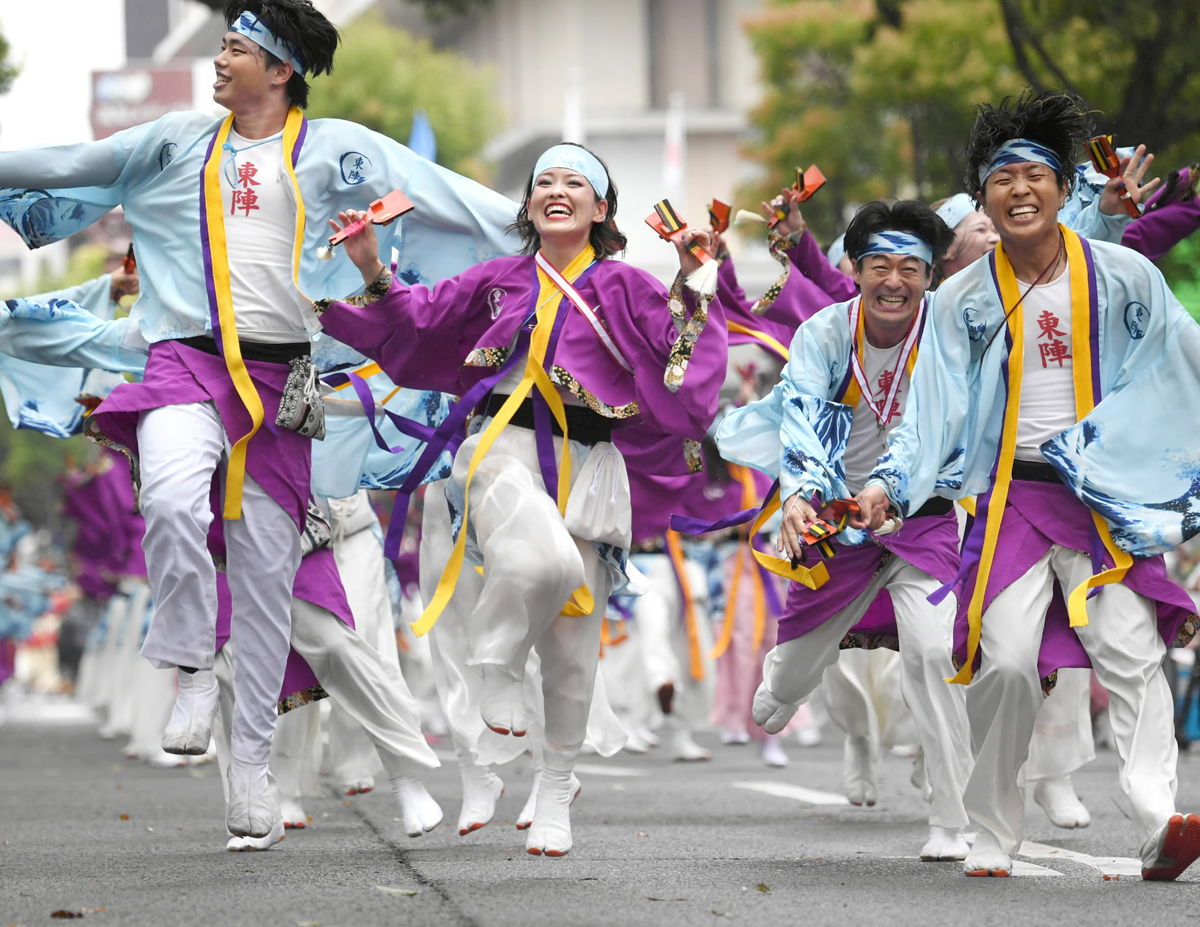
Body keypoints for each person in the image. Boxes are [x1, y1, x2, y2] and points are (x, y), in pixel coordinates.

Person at [0, 0, 515, 842]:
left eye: (236, 49)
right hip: (183, 362)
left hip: (281, 382)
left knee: (269, 581)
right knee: (169, 498)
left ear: (281, 71)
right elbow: (66, 162)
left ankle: (250, 771)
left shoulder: (336, 149)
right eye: (222, 45)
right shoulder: (171, 142)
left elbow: (438, 194)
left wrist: (537, 229)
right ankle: (193, 663)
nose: (220, 60)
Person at [315, 142, 728, 856]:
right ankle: (498, 664)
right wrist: (369, 264)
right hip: (499, 447)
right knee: (542, 566)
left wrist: (695, 279)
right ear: (530, 205)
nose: (557, 191)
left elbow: (681, 362)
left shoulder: (627, 286)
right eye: (544, 182)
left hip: (590, 464)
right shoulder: (498, 279)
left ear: (601, 209)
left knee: (573, 649)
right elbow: (417, 322)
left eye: (575, 182)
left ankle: (558, 783)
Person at [856, 89, 1200, 880]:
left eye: (1033, 176)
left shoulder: (1120, 275)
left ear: (1059, 189)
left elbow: (1182, 356)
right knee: (1005, 661)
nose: (1017, 190)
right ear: (983, 199)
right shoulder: (958, 302)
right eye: (1000, 180)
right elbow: (928, 411)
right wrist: (889, 483)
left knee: (1132, 645)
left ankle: (1158, 820)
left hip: (1101, 496)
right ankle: (991, 827)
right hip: (1011, 497)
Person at [715, 199, 973, 862]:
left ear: (930, 274)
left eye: (910, 267)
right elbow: (802, 414)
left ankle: (951, 815)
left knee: (934, 651)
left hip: (922, 519)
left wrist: (889, 486)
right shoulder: (827, 333)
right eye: (880, 264)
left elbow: (923, 426)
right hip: (838, 524)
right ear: (854, 269)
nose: (895, 280)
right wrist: (801, 495)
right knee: (785, 693)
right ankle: (784, 678)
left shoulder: (944, 333)